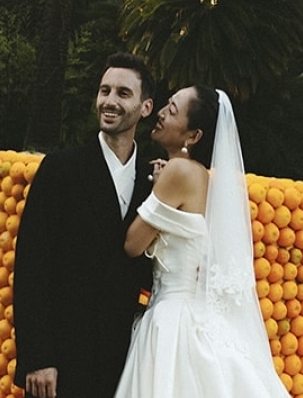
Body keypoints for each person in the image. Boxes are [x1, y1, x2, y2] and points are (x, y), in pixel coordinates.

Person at [114, 86, 290, 397]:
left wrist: (153, 190)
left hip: (172, 314)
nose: (161, 113)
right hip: (192, 308)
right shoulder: (203, 177)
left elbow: (133, 244)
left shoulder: (178, 171)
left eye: (172, 110)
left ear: (193, 136)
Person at [12, 52, 156, 398]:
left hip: (122, 359)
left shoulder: (153, 181)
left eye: (123, 93)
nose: (109, 101)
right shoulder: (60, 169)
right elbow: (32, 266)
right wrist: (38, 357)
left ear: (146, 107)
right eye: (104, 91)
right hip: (61, 359)